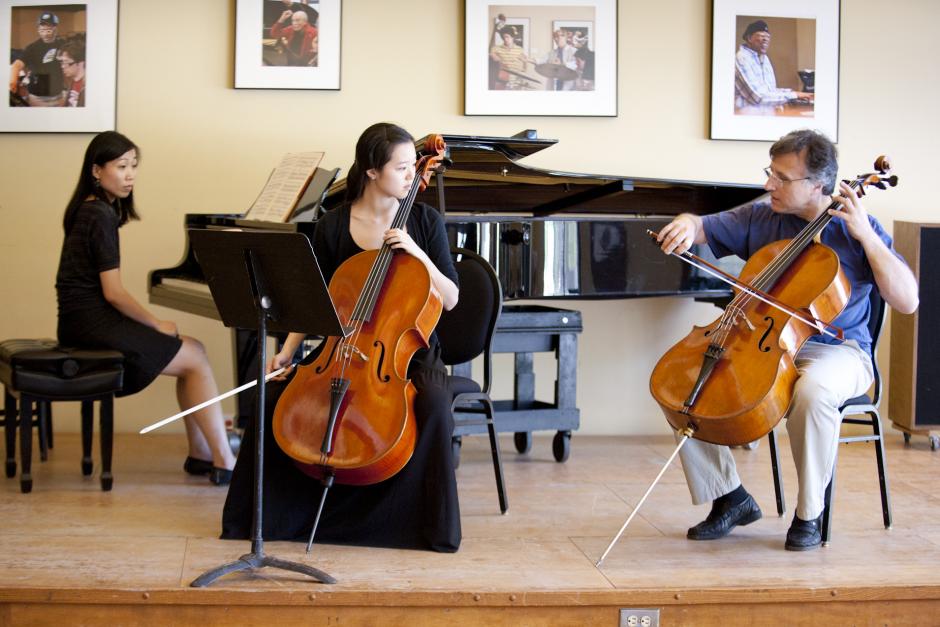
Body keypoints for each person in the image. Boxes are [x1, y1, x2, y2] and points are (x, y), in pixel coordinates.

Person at [656, 129, 919, 551]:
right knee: (689, 381)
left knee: (813, 392)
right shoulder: (763, 217)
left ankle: (809, 514)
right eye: (769, 173)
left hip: (839, 351)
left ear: (818, 185)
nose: (768, 185)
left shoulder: (859, 229)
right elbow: (702, 226)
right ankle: (729, 497)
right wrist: (686, 227)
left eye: (781, 178)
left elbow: (907, 300)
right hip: (768, 343)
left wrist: (867, 239)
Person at [221, 122, 462, 552]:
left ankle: (411, 527)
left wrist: (418, 253)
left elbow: (451, 299)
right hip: (342, 348)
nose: (411, 176)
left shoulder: (425, 221)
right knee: (271, 401)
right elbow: (320, 301)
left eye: (413, 168)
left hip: (406, 356)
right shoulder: (333, 226)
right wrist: (288, 352)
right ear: (371, 171)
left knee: (435, 405)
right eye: (401, 168)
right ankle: (275, 521)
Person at [55, 131, 237, 485]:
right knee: (195, 357)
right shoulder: (100, 215)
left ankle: (203, 454)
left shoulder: (89, 208)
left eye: (134, 166)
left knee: (193, 354)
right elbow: (114, 293)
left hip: (80, 321)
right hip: (92, 323)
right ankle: (223, 459)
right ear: (96, 170)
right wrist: (155, 324)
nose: (130, 175)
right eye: (121, 166)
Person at [734, 20, 811, 110]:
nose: (766, 39)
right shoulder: (741, 58)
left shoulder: (764, 58)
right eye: (762, 36)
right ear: (749, 38)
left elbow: (770, 91)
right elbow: (758, 97)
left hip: (764, 113)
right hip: (747, 115)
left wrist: (795, 93)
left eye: (767, 36)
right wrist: (794, 95)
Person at [8, 11, 65, 106]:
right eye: (42, 30)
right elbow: (16, 65)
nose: (45, 34)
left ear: (55, 28)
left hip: (59, 96)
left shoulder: (62, 44)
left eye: (48, 30)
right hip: (38, 99)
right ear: (38, 29)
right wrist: (13, 82)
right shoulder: (32, 48)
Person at [57, 38, 85, 107]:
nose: (62, 66)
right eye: (62, 63)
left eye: (66, 62)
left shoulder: (89, 88)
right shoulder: (71, 81)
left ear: (81, 63)